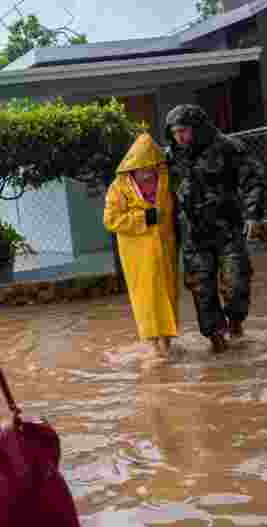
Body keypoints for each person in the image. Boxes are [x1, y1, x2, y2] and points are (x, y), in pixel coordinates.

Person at [163, 104, 264, 354]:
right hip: (193, 235)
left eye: (184, 131)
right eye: (175, 132)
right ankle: (217, 340)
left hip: (227, 228)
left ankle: (236, 324)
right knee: (202, 290)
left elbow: (253, 178)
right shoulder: (169, 157)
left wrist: (253, 214)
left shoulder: (228, 147)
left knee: (236, 283)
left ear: (197, 128)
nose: (180, 137)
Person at [103, 133, 180, 363]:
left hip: (165, 249)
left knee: (168, 293)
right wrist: (143, 218)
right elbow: (111, 220)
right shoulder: (118, 188)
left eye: (151, 167)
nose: (147, 173)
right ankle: (153, 347)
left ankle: (166, 345)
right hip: (138, 254)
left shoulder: (166, 180)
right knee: (145, 297)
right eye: (142, 167)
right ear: (132, 166)